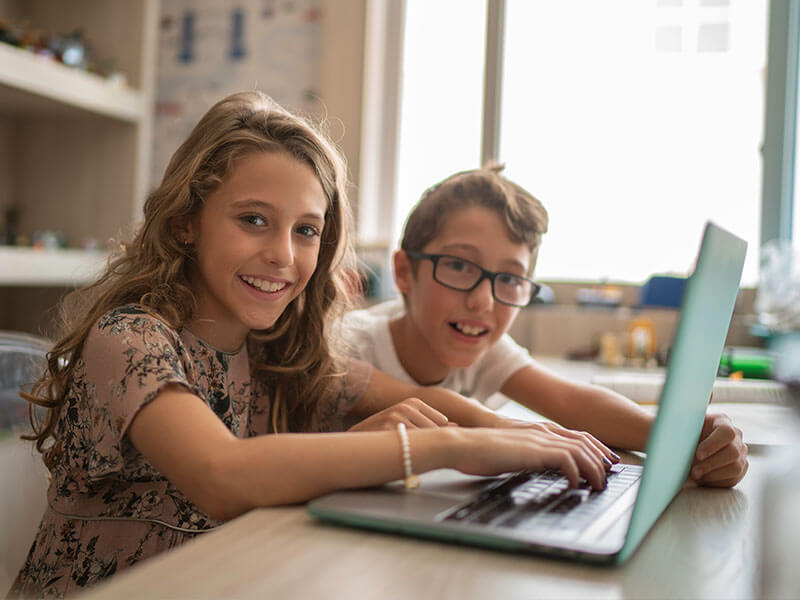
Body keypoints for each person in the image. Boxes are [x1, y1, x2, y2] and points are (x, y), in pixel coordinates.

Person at [9, 93, 615, 599]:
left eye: (306, 231)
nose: (283, 254)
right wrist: (449, 447)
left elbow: (429, 403)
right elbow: (222, 476)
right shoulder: (130, 339)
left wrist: (525, 438)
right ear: (185, 223)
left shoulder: (278, 352)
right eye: (253, 219)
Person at [343, 165, 748, 488]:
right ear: (404, 272)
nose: (482, 300)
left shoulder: (482, 347)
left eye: (509, 279)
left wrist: (684, 437)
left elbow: (571, 403)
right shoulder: (349, 344)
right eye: (460, 266)